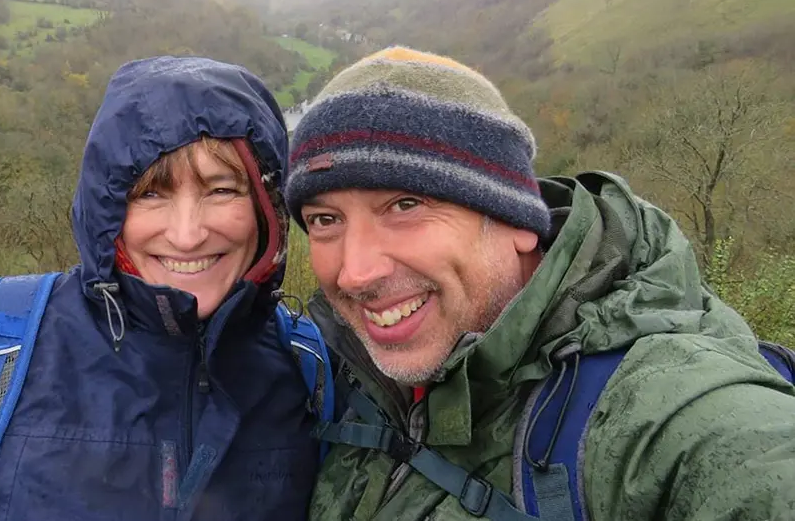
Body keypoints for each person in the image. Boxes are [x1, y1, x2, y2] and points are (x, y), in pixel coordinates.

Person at [283, 46, 795, 520]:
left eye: (406, 205)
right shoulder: (338, 372)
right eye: (325, 220)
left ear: (518, 223)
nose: (355, 273)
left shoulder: (660, 406)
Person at [0, 56, 324, 520]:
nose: (187, 234)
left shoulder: (309, 370)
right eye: (150, 194)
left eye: (222, 190)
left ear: (266, 206)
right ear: (107, 209)